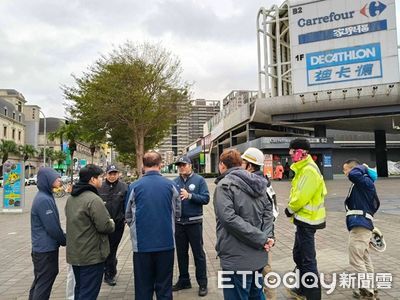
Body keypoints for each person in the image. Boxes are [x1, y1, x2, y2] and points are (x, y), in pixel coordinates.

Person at [214, 149, 275, 300]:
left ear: (222, 165)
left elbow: (228, 219)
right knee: (256, 294)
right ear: (241, 164)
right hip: (258, 256)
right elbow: (269, 211)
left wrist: (262, 238)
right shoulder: (258, 183)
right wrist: (267, 236)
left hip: (236, 259)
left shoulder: (224, 185)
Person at [125, 151, 181, 300]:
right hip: (166, 243)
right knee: (164, 287)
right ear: (160, 164)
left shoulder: (134, 186)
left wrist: (135, 229)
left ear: (143, 165)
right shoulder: (171, 185)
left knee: (143, 288)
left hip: (142, 245)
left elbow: (128, 215)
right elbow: (177, 212)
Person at [284, 138, 327, 300]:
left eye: (293, 151)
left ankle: (313, 295)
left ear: (302, 153)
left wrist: (289, 209)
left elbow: (301, 196)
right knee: (299, 255)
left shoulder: (309, 170)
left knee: (308, 261)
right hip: (303, 221)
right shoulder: (302, 168)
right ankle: (302, 289)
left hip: (308, 222)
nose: (290, 154)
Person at [65, 164, 115, 300]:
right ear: (92, 180)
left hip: (75, 254)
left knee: (79, 289)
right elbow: (105, 226)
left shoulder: (71, 198)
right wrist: (112, 222)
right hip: (91, 255)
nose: (102, 179)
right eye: (100, 177)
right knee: (89, 293)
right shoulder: (93, 199)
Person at [241, 147, 277, 298]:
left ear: (249, 165)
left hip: (261, 236)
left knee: (265, 270)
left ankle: (270, 297)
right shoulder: (264, 181)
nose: (240, 166)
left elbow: (271, 213)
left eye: (242, 163)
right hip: (262, 234)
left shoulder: (258, 184)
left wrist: (265, 237)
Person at [172, 155, 210, 297]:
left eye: (184, 165)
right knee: (181, 254)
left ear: (190, 165)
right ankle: (184, 280)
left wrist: (190, 196)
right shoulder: (175, 182)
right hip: (179, 223)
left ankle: (202, 283)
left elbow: (206, 198)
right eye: (179, 165)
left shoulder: (199, 180)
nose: (181, 167)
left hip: (194, 222)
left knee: (198, 254)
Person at [343, 159, 380, 299]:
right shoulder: (364, 183)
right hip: (363, 225)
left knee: (356, 259)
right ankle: (371, 286)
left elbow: (354, 175)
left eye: (345, 169)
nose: (345, 172)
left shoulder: (363, 180)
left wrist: (362, 168)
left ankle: (366, 289)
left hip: (360, 225)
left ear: (353, 169)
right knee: (364, 257)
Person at [29, 167, 66, 300]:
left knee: (40, 281)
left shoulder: (46, 196)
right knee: (44, 282)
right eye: (56, 177)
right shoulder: (44, 199)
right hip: (45, 250)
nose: (59, 179)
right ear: (47, 180)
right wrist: (64, 240)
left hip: (41, 249)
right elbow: (52, 228)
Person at [98, 164, 128, 286]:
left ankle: (110, 274)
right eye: (110, 173)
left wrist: (125, 218)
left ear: (118, 174)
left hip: (118, 224)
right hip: (102, 224)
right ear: (106, 174)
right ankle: (109, 267)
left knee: (112, 249)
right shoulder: (100, 187)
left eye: (114, 173)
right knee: (104, 249)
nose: (112, 176)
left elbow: (127, 204)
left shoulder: (124, 187)